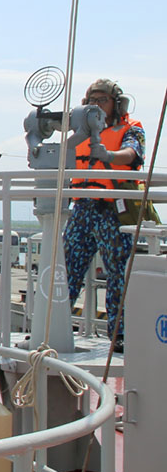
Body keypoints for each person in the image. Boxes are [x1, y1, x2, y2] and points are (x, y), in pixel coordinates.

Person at [64, 78, 145, 352]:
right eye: (91, 101)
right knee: (67, 268)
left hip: (112, 209)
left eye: (102, 100)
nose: (96, 105)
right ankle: (56, 324)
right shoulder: (78, 133)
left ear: (116, 104)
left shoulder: (130, 129)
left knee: (118, 272)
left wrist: (109, 155)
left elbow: (132, 153)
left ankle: (120, 333)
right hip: (82, 209)